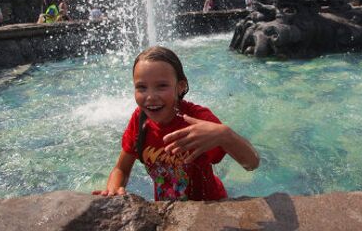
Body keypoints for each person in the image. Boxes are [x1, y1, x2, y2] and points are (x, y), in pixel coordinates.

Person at [92, 46, 259, 201]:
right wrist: (114, 189)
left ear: (180, 86)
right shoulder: (140, 119)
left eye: (162, 86)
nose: (150, 96)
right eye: (141, 87)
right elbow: (121, 169)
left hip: (210, 207)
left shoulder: (197, 119)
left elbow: (252, 164)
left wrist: (225, 134)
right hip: (168, 207)